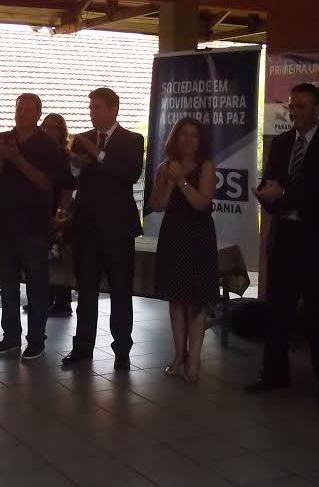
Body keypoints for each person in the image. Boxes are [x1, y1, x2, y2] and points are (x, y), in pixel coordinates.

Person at [246, 82, 319, 410]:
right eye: (292, 106)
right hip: (285, 237)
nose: (295, 112)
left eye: (302, 106)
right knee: (279, 309)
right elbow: (273, 180)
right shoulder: (281, 142)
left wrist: (284, 195)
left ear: (318, 109)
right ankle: (274, 374)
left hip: (318, 241)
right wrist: (266, 195)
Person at [62, 87, 145, 370]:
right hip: (85, 227)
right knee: (85, 291)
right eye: (90, 107)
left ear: (113, 109)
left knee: (120, 291)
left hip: (118, 229)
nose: (92, 112)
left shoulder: (132, 139)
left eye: (97, 107)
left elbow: (129, 174)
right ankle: (82, 347)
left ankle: (122, 350)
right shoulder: (81, 139)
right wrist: (75, 164)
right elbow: (73, 177)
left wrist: (95, 153)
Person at [0, 94, 63, 361]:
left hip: (34, 227)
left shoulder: (47, 145)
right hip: (4, 225)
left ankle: (36, 340)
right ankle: (11, 337)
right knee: (7, 285)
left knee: (36, 286)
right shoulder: (1, 140)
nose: (21, 113)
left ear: (37, 114)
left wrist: (17, 160)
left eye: (28, 110)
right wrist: (2, 159)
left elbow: (45, 183)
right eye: (19, 108)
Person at [149, 117, 218, 382]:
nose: (188, 140)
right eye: (183, 134)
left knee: (196, 300)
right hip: (173, 235)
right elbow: (157, 205)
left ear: (200, 141)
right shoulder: (165, 167)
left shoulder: (206, 166)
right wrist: (168, 181)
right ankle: (179, 355)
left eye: (194, 136)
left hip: (198, 235)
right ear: (175, 138)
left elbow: (201, 203)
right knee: (177, 299)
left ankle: (194, 358)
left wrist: (181, 181)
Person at [42, 113, 76, 316]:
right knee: (45, 257)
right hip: (42, 209)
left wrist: (60, 214)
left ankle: (63, 302)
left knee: (59, 255)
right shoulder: (40, 152)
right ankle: (46, 299)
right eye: (44, 126)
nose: (47, 131)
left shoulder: (65, 155)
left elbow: (68, 187)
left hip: (60, 210)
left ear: (61, 131)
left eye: (52, 127)